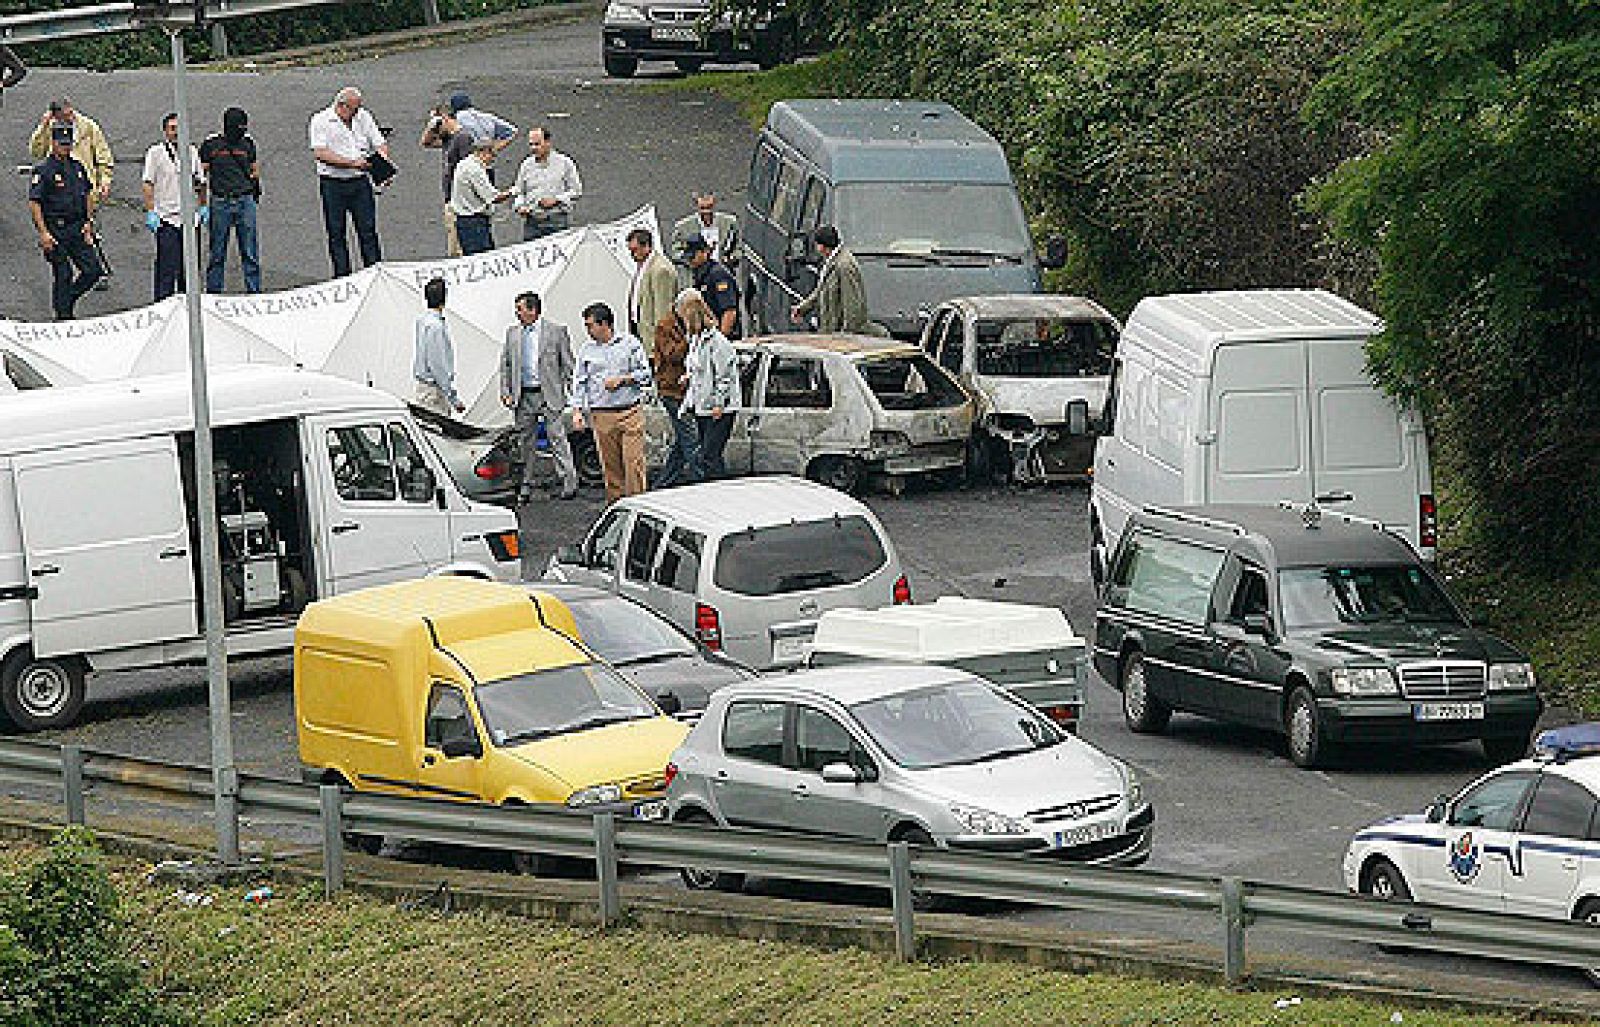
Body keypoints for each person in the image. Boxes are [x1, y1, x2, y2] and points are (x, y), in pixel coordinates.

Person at [500, 292, 578, 503]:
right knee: (525, 441)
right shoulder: (512, 334)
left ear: (533, 310)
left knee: (557, 438)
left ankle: (568, 481)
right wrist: (506, 392)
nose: (517, 313)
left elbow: (568, 365)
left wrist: (574, 397)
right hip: (524, 395)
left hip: (549, 394)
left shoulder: (556, 331)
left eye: (520, 309)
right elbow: (506, 365)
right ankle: (526, 483)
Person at [30, 98, 114, 291]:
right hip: (56, 198)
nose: (70, 117)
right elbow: (36, 152)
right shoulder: (50, 130)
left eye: (71, 113)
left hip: (83, 188)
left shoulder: (88, 127)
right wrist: (43, 128)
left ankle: (92, 275)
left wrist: (105, 180)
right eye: (64, 116)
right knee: (63, 272)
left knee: (89, 235)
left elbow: (103, 155)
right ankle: (64, 303)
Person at [571, 302, 652, 503]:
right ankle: (616, 506)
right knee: (610, 466)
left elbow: (646, 374)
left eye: (590, 325)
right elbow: (580, 382)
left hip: (629, 411)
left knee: (633, 463)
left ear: (604, 324)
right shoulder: (586, 351)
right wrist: (577, 411)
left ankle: (639, 505)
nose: (587, 330)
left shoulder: (629, 344)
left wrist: (624, 380)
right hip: (602, 414)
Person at [309, 86, 389, 278]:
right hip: (333, 183)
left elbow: (379, 143)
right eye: (354, 109)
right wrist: (352, 163)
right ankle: (342, 277)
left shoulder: (364, 117)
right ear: (342, 106)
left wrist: (382, 164)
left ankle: (374, 274)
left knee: (368, 230)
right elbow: (320, 153)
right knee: (336, 233)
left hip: (360, 182)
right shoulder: (321, 121)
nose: (357, 113)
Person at [28, 123, 102, 320]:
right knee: (63, 274)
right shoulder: (43, 171)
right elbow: (35, 203)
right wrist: (43, 233)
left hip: (77, 228)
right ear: (53, 143)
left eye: (68, 144)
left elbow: (87, 194)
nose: (65, 148)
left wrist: (88, 222)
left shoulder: (77, 167)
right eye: (61, 144)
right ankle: (63, 316)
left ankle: (67, 300)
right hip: (56, 230)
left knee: (93, 271)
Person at [141, 112, 207, 302]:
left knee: (189, 269)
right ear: (165, 131)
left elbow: (201, 182)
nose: (176, 132)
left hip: (189, 220)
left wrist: (203, 206)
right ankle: (163, 307)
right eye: (172, 128)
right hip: (167, 219)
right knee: (166, 270)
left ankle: (189, 307)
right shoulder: (156, 153)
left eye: (179, 128)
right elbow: (148, 183)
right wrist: (151, 211)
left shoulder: (192, 152)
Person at [677, 288, 741, 482]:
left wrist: (719, 403)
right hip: (702, 404)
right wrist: (688, 377)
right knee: (708, 456)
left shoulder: (717, 343)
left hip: (718, 407)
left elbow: (724, 375)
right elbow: (698, 368)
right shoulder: (696, 340)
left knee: (710, 455)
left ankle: (717, 488)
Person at [200, 106, 261, 294]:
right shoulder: (212, 145)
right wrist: (202, 202)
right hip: (221, 201)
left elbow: (254, 169)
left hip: (244, 199)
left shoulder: (247, 144)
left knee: (250, 252)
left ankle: (254, 291)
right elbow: (202, 173)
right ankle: (214, 292)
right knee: (217, 252)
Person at [790, 224, 873, 334]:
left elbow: (852, 308)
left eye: (817, 245)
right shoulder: (831, 261)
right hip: (829, 332)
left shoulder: (844, 266)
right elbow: (820, 291)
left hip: (838, 336)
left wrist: (846, 336)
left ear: (822, 247)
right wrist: (802, 309)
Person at [650, 308, 698, 489]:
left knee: (684, 439)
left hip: (686, 391)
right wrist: (689, 339)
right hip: (672, 391)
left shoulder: (684, 324)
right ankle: (701, 479)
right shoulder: (666, 326)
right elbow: (671, 354)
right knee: (691, 438)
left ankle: (664, 482)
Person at [419, 105, 474, 256]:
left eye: (438, 124)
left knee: (457, 248)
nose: (436, 130)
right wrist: (431, 126)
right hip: (451, 198)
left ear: (445, 118)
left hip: (459, 200)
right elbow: (425, 142)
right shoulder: (448, 138)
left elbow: (467, 170)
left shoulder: (463, 138)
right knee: (453, 244)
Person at [511, 126, 581, 241]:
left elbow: (576, 191)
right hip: (532, 222)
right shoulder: (526, 165)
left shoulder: (564, 163)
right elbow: (519, 191)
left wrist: (556, 200)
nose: (533, 148)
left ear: (548, 142)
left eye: (537, 144)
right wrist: (520, 206)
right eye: (531, 144)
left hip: (556, 220)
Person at [450, 138, 511, 256]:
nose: (492, 159)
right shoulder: (475, 170)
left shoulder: (463, 164)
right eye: (492, 155)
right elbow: (494, 197)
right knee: (484, 258)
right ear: (484, 152)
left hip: (464, 222)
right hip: (474, 224)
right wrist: (514, 190)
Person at [413, 277, 465, 417]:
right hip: (434, 393)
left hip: (424, 388)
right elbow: (437, 365)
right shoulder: (436, 327)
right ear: (444, 298)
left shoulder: (422, 322)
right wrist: (453, 398)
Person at [625, 228, 676, 355]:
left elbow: (663, 311)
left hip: (654, 341)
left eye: (635, 250)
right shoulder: (643, 266)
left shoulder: (660, 270)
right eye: (630, 251)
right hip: (640, 332)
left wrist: (659, 344)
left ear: (647, 246)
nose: (632, 255)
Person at [671, 191, 739, 281]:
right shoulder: (683, 227)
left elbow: (738, 248)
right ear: (696, 206)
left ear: (714, 204)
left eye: (709, 207)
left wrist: (731, 258)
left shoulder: (729, 223)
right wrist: (691, 260)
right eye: (702, 208)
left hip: (721, 275)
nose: (706, 211)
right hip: (695, 277)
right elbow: (676, 253)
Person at [683, 235, 740, 338]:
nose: (690, 261)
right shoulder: (700, 275)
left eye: (692, 256)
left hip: (723, 338)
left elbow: (729, 312)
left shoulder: (718, 275)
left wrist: (720, 339)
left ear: (705, 252)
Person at [446, 92, 516, 153]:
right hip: (484, 156)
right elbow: (512, 131)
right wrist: (494, 149)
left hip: (464, 157)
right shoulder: (488, 117)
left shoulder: (456, 118)